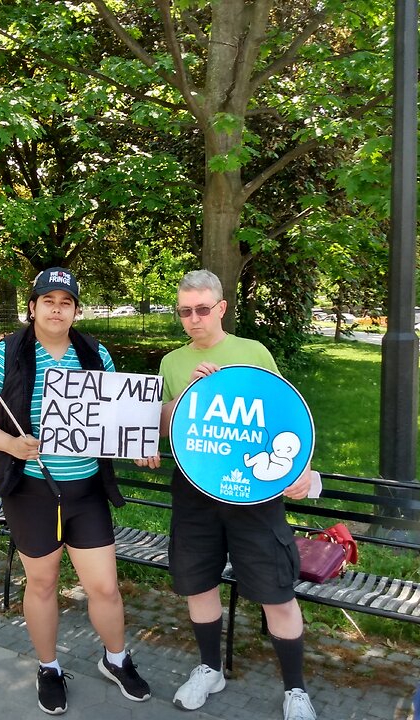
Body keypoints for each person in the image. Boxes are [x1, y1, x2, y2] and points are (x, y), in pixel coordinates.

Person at [0, 266, 152, 715]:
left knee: (104, 587)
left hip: (85, 491)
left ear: (76, 311)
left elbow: (114, 421)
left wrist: (137, 443)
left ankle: (116, 659)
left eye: (66, 302)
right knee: (42, 583)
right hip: (32, 492)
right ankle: (48, 667)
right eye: (49, 300)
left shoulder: (93, 352)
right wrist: (12, 444)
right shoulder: (6, 355)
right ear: (32, 307)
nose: (57, 309)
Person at [137, 269, 320, 720]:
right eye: (185, 311)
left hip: (252, 491)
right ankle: (209, 668)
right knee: (198, 584)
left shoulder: (252, 352)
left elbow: (283, 413)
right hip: (195, 489)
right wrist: (177, 410)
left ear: (220, 308)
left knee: (276, 591)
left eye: (202, 309)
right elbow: (166, 425)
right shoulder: (172, 362)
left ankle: (295, 690)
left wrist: (302, 472)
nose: (194, 319)